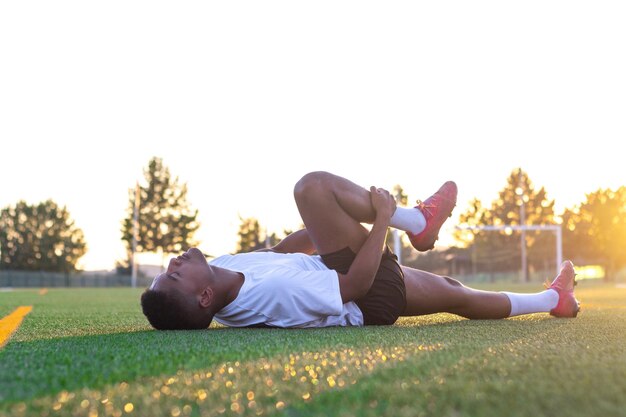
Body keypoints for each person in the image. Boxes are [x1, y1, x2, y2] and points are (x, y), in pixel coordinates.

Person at [141, 171, 580, 330]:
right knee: (312, 188)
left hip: (347, 273)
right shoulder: (271, 296)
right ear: (203, 298)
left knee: (456, 292)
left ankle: (553, 300)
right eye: (175, 274)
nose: (175, 261)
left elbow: (281, 251)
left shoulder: (221, 268)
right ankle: (417, 222)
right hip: (368, 295)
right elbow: (355, 284)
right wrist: (384, 220)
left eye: (168, 267)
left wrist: (324, 227)